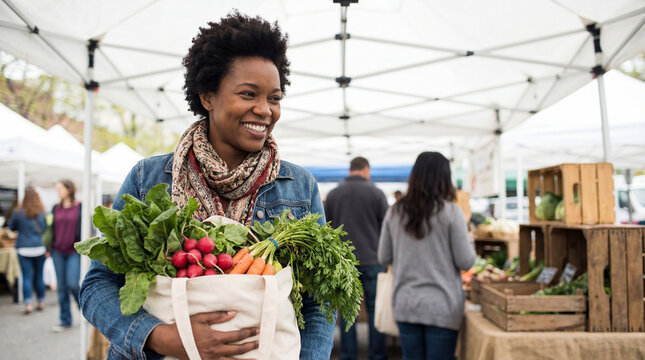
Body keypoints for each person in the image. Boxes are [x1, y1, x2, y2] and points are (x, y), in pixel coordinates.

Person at [79, 12, 335, 360]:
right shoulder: (149, 178)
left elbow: (319, 302)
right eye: (249, 94)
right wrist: (160, 337)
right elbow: (98, 285)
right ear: (207, 96)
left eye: (274, 98)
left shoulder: (299, 186)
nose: (265, 110)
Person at [378, 152, 476, 360]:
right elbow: (466, 261)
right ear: (445, 178)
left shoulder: (395, 211)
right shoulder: (452, 213)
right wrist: (470, 238)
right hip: (442, 306)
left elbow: (384, 257)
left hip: (406, 303)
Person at [325, 156, 389, 360]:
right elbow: (386, 229)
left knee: (347, 312)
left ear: (351, 169)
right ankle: (377, 356)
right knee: (374, 311)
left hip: (344, 264)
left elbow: (325, 229)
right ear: (366, 170)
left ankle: (348, 355)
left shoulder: (334, 195)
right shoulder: (377, 193)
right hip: (373, 260)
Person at [8, 187, 47, 314]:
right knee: (39, 276)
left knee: (26, 277)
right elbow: (45, 228)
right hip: (39, 247)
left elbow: (12, 227)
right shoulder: (42, 212)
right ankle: (41, 301)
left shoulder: (18, 212)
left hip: (24, 248)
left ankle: (28, 304)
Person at [50, 179, 82, 332]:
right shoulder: (55, 208)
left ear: (69, 189)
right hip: (57, 251)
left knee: (73, 284)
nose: (58, 191)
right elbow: (51, 228)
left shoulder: (80, 207)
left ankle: (85, 310)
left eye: (60, 188)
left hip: (73, 252)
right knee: (61, 287)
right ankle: (65, 320)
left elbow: (86, 229)